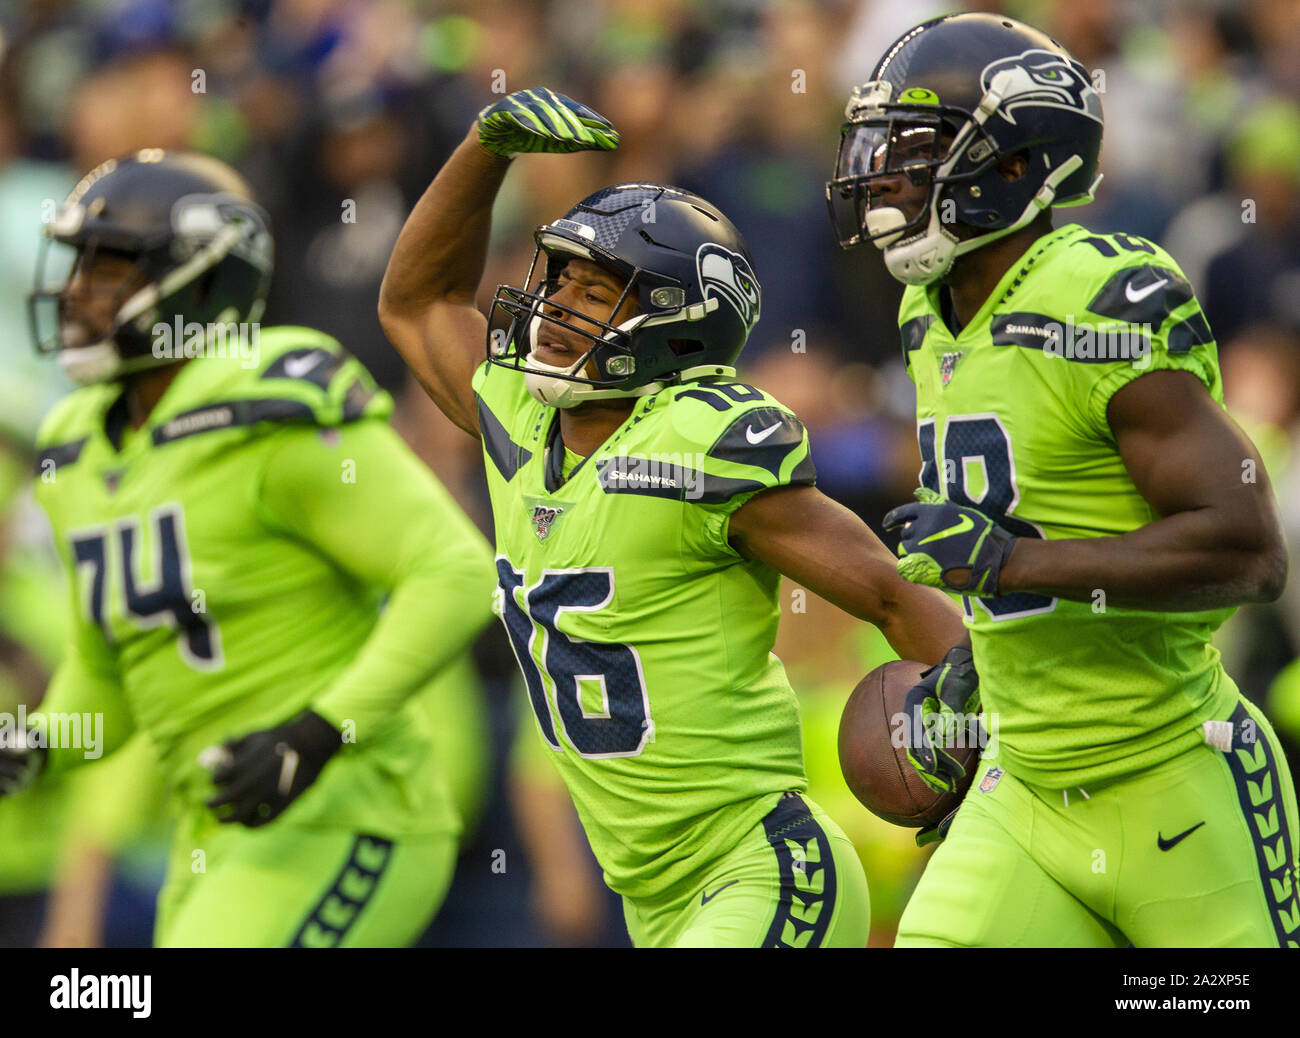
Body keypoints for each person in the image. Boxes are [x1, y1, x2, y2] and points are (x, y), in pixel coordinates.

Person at [378, 87, 968, 947]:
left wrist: (979, 740)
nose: (551, 307)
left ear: (674, 325)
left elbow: (888, 595)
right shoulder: (520, 424)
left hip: (760, 866)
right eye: (560, 280)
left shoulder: (697, 444)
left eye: (593, 293)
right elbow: (418, 301)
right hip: (652, 902)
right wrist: (484, 147)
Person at [828, 11, 1299, 947]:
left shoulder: (1093, 294)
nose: (883, 174)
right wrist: (982, 663)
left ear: (1013, 160)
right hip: (1026, 785)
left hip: (1172, 776)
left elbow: (1248, 551)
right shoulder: (930, 312)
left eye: (916, 147)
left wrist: (1010, 565)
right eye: (878, 145)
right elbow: (1043, 510)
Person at [3, 150, 495, 947]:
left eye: (110, 267)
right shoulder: (74, 450)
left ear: (200, 284)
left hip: (346, 815)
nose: (76, 291)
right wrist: (39, 744)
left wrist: (317, 731)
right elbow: (108, 672)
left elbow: (457, 572)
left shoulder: (266, 407)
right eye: (79, 263)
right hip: (211, 836)